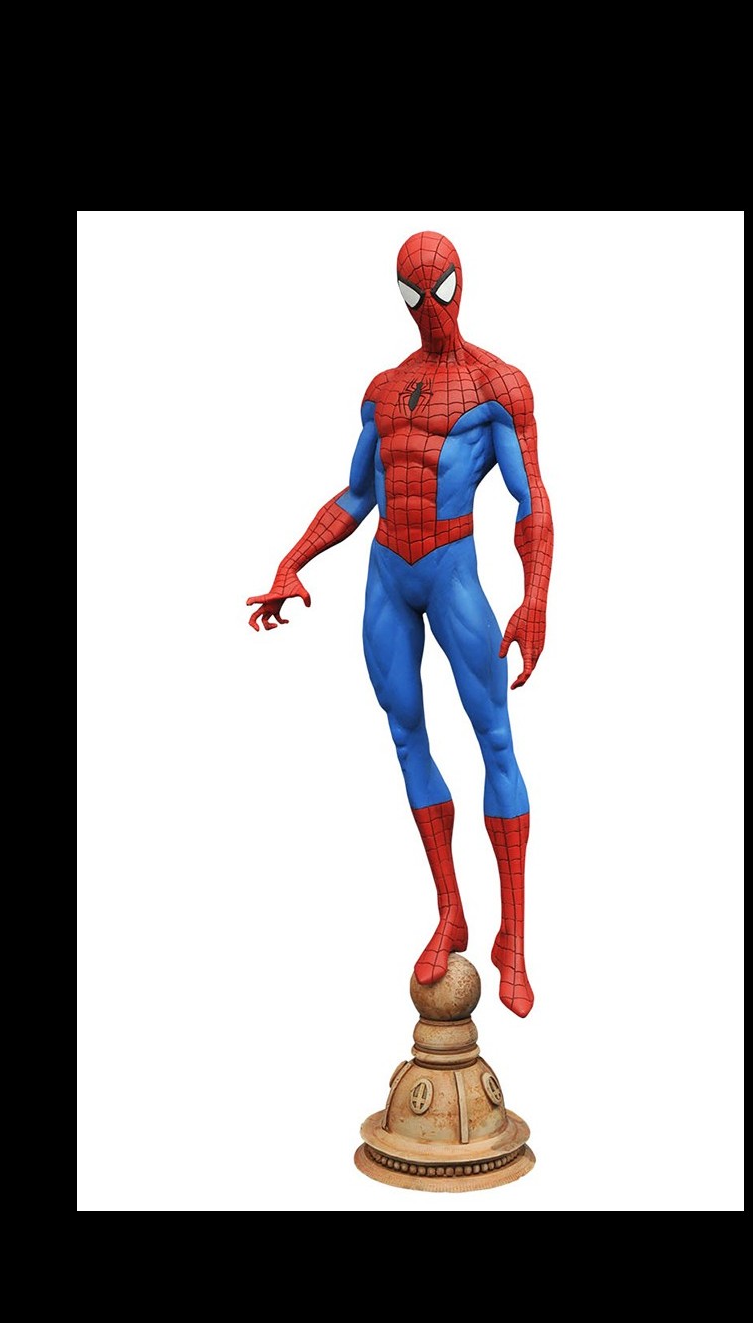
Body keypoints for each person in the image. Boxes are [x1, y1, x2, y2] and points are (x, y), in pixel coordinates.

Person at [247, 232, 553, 1018]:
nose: (430, 308)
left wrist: (536, 597)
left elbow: (532, 501)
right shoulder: (384, 391)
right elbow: (356, 495)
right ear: (401, 297)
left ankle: (514, 938)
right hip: (387, 571)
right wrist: (292, 561)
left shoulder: (497, 385)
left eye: (439, 289)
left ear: (461, 284)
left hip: (452, 571)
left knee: (495, 740)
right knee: (407, 734)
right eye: (415, 294)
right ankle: (451, 910)